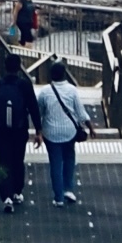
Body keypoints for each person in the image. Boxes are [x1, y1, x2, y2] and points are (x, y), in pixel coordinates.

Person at [0, 52, 41, 213]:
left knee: (3, 161)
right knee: (17, 159)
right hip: (20, 130)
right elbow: (34, 108)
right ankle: (17, 191)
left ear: (5, 67)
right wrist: (38, 130)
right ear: (19, 67)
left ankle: (6, 196)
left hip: (0, 130)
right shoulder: (24, 85)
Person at [38, 57, 92, 207]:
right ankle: (69, 189)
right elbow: (80, 113)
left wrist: (39, 130)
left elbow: (39, 112)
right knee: (69, 158)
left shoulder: (44, 92)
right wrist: (91, 127)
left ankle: (58, 197)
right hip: (70, 131)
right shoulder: (72, 90)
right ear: (64, 74)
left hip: (50, 133)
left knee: (55, 163)